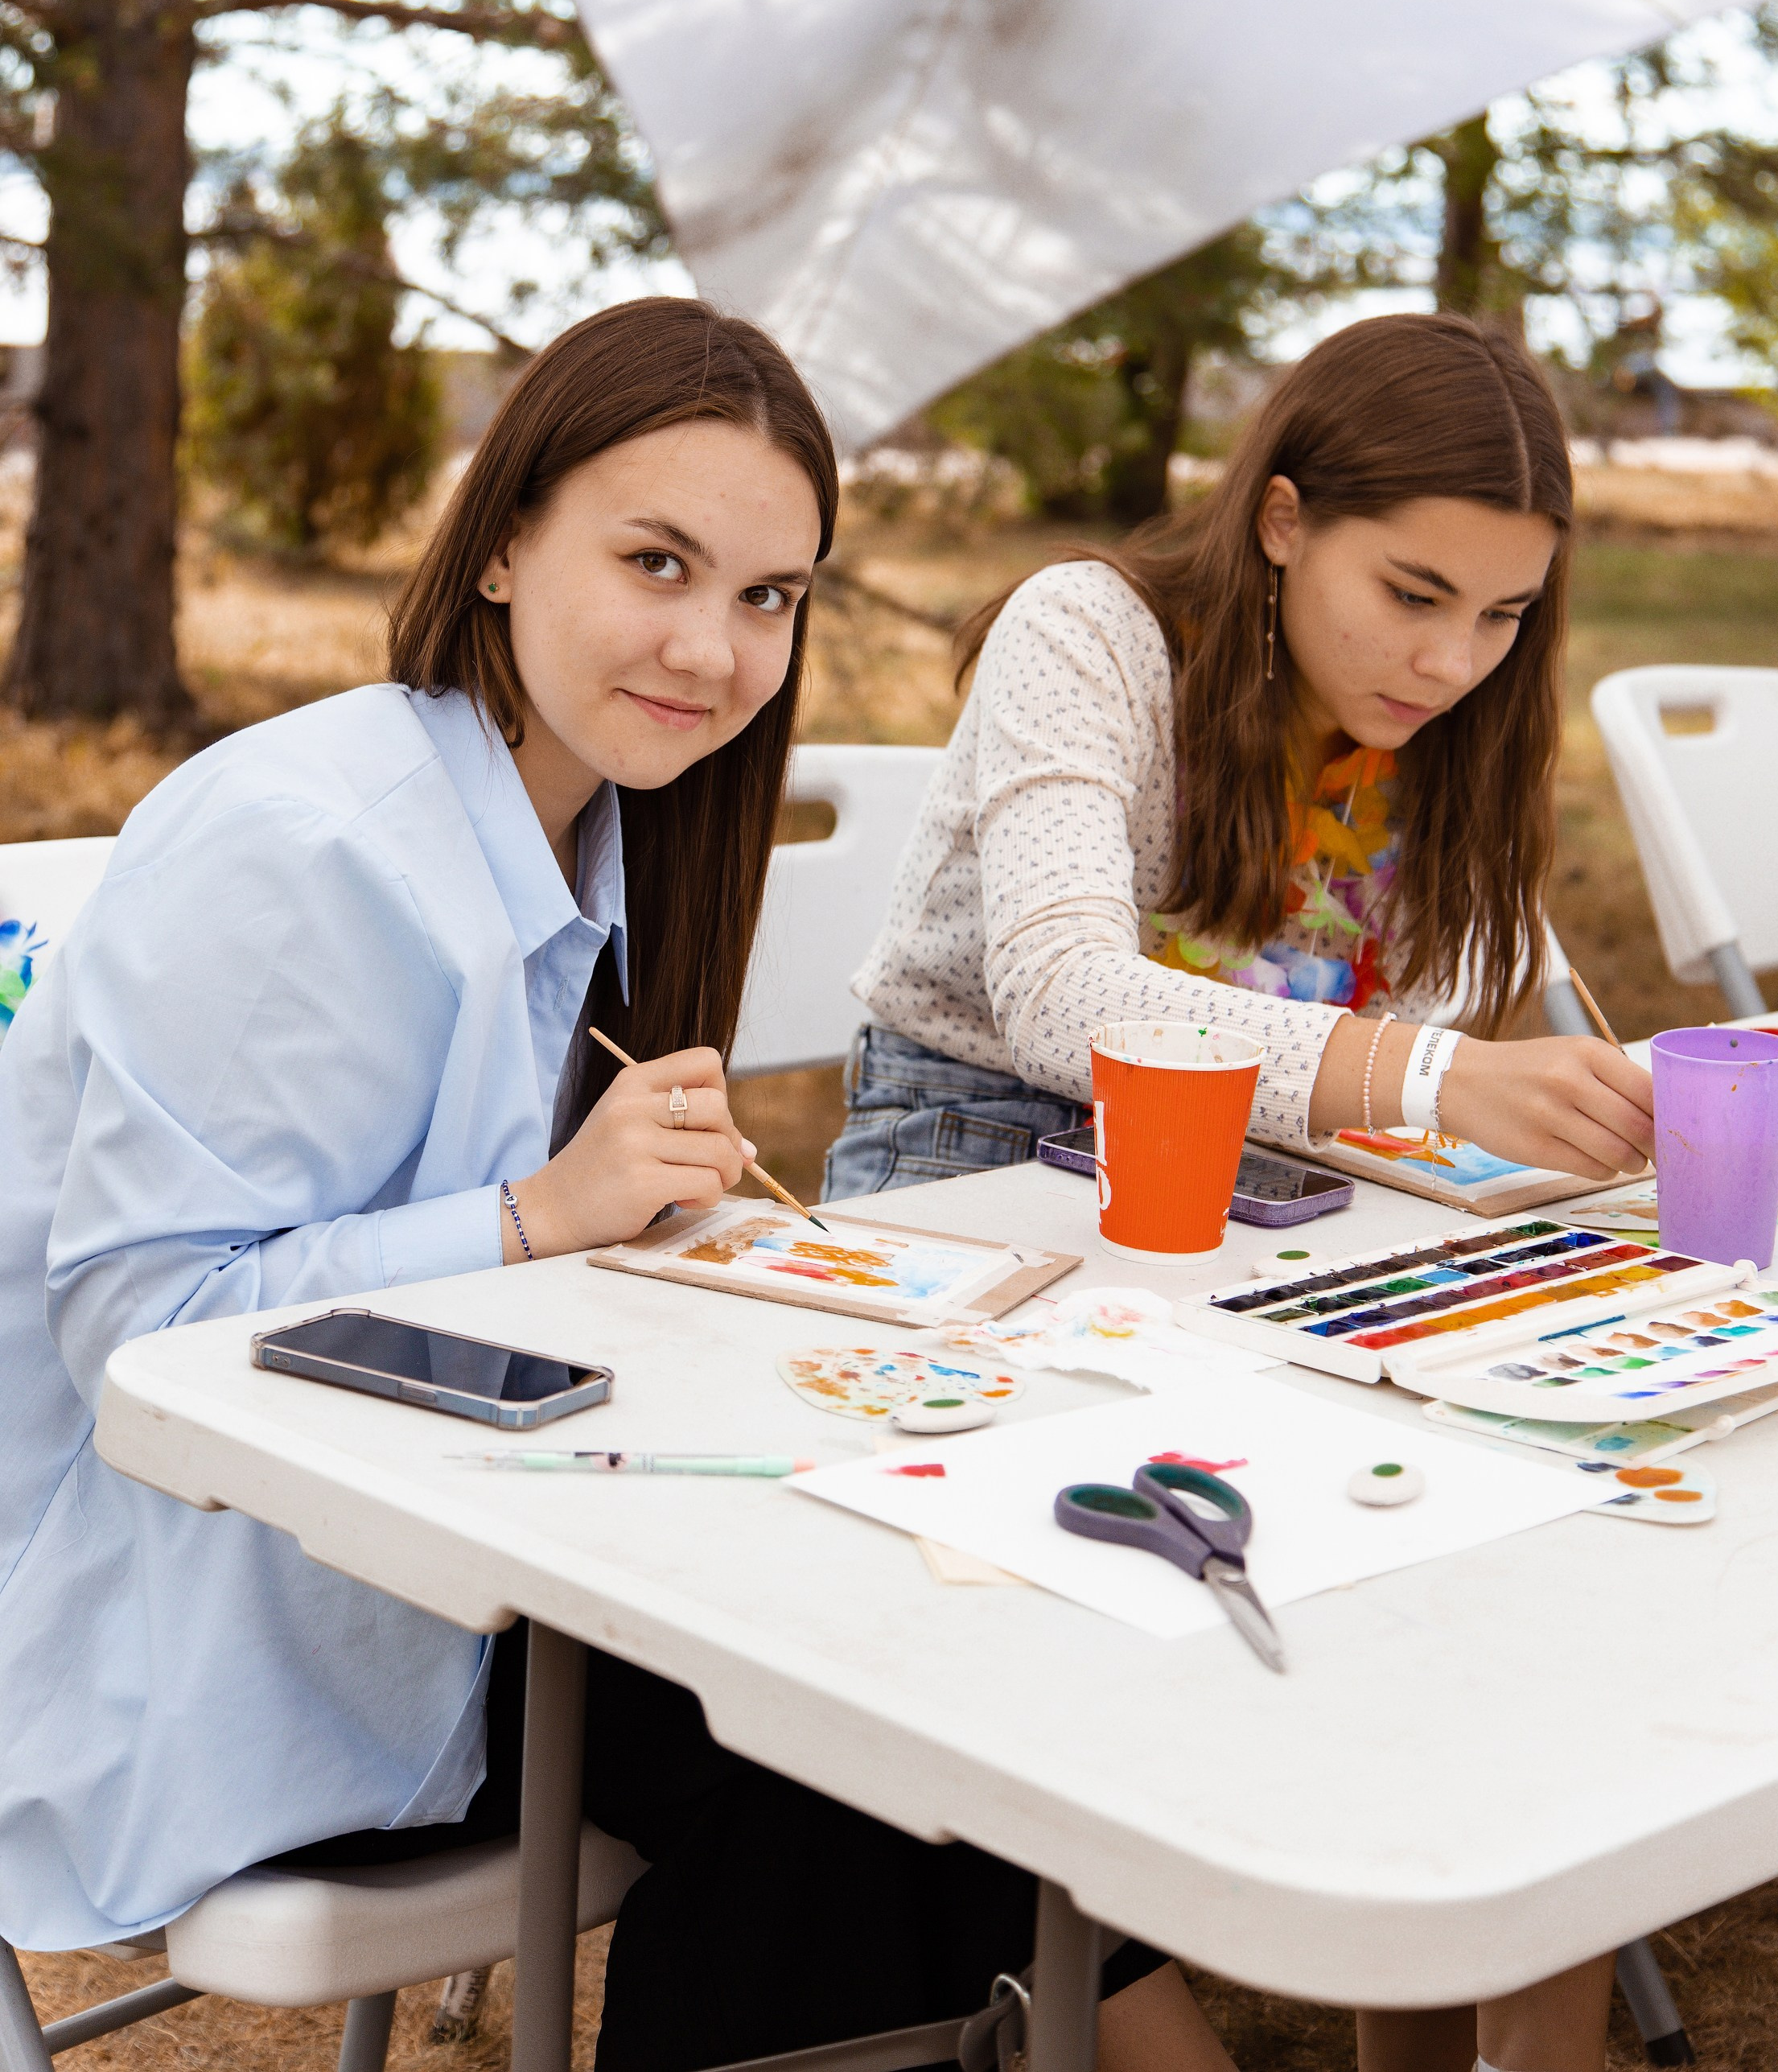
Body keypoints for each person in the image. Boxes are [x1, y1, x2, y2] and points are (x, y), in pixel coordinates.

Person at [0, 299, 1229, 2072]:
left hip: (460, 1518)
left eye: (768, 596)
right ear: (502, 542)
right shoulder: (309, 850)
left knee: (917, 1698)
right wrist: (531, 1220)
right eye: (657, 561)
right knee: (844, 1753)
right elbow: (143, 1333)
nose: (715, 649)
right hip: (219, 1609)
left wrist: (655, 1221)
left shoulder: (594, 819)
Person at [827, 311, 1652, 2072]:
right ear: (1281, 520)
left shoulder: (1446, 738)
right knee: (1151, 1547)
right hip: (982, 1184)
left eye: (1505, 615)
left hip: (1276, 1216)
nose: (1451, 660)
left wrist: (1511, 1119)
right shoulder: (1092, 634)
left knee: (1497, 1490)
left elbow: (1389, 1085)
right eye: (1413, 592)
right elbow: (1062, 990)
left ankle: (1518, 2021)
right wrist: (1437, 1082)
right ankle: (1116, 1996)